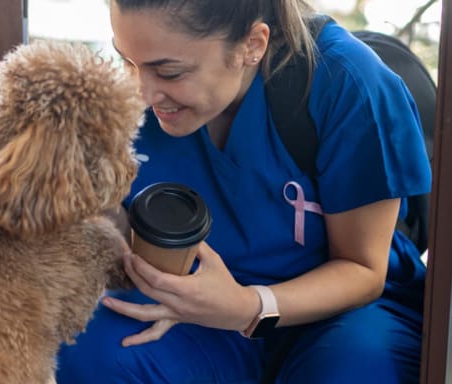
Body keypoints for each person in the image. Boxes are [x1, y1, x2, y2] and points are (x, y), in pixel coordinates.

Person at [55, 0, 432, 382]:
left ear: (252, 45)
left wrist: (246, 306)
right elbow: (122, 227)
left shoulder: (349, 82)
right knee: (90, 352)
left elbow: (363, 269)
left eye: (168, 72)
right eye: (127, 62)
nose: (142, 94)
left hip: (342, 315)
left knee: (349, 373)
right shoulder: (128, 100)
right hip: (196, 307)